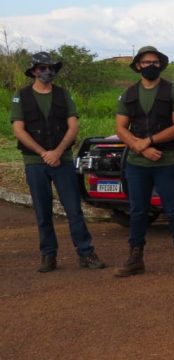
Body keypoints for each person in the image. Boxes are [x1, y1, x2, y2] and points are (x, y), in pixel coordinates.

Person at [10, 52, 105, 272]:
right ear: (34, 71)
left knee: (73, 209)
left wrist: (58, 151)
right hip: (35, 161)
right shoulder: (21, 96)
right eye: (42, 68)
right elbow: (18, 129)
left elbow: (73, 127)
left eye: (51, 68)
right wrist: (44, 153)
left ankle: (86, 253)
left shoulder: (63, 95)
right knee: (42, 211)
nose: (47, 72)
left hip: (63, 160)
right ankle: (48, 255)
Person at [112, 46, 174, 277]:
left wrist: (147, 141)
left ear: (161, 65)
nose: (150, 66)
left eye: (155, 62)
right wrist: (140, 147)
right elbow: (120, 127)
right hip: (138, 163)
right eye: (146, 62)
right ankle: (135, 258)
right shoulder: (128, 94)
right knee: (137, 211)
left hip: (167, 161)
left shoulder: (173, 92)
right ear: (138, 65)